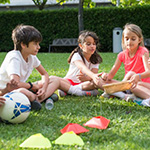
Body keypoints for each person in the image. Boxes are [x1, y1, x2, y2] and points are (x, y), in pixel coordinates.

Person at [0, 24, 53, 110]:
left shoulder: (31, 57)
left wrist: (43, 88)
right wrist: (31, 86)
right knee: (23, 91)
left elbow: (44, 74)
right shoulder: (14, 57)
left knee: (53, 79)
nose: (38, 47)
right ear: (23, 44)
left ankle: (39, 96)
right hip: (6, 92)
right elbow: (15, 85)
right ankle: (39, 98)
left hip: (22, 88)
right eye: (35, 44)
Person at [101, 23, 150, 107]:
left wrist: (138, 76)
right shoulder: (122, 55)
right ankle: (125, 94)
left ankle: (118, 93)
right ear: (123, 40)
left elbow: (148, 72)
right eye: (126, 39)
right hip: (128, 85)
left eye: (133, 39)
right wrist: (105, 76)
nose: (129, 42)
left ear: (139, 40)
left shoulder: (143, 52)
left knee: (131, 77)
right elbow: (111, 75)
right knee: (102, 82)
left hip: (143, 85)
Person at [48, 30, 106, 97]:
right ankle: (77, 91)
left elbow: (94, 74)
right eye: (88, 44)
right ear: (81, 46)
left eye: (94, 44)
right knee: (52, 78)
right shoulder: (76, 55)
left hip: (83, 84)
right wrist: (92, 76)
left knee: (96, 83)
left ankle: (70, 91)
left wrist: (88, 78)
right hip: (69, 82)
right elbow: (82, 67)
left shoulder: (95, 59)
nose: (92, 46)